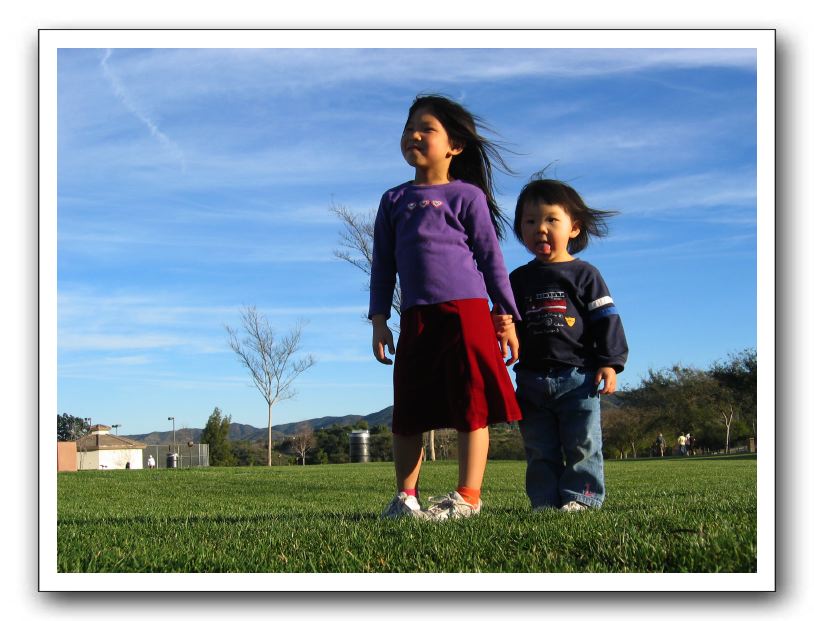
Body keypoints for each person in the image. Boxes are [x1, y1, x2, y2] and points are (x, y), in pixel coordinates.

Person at [369, 94, 522, 521]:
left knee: (471, 405)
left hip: (467, 313)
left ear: (455, 145)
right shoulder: (393, 200)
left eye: (426, 129)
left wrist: (506, 318)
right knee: (408, 408)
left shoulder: (467, 196)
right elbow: (382, 265)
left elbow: (491, 260)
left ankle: (468, 497)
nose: (414, 135)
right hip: (415, 317)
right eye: (409, 128)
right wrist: (379, 320)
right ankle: (406, 498)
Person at [494, 176, 628, 512]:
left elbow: (606, 319)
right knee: (539, 447)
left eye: (551, 219)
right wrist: (502, 325)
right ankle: (544, 501)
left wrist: (610, 362)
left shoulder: (585, 274)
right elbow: (507, 321)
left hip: (578, 377)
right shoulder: (517, 279)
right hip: (530, 379)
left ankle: (582, 497)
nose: (540, 228)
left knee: (582, 444)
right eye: (530, 221)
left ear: (574, 227)